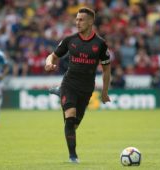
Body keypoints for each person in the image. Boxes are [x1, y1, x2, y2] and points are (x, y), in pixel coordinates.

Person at [45, 7, 111, 163]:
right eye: (76, 19)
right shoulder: (70, 40)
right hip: (70, 84)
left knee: (73, 125)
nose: (77, 22)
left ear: (91, 22)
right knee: (69, 118)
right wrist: (48, 63)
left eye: (81, 19)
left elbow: (107, 70)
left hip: (87, 88)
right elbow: (52, 56)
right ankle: (73, 157)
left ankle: (60, 92)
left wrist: (105, 92)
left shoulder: (100, 44)